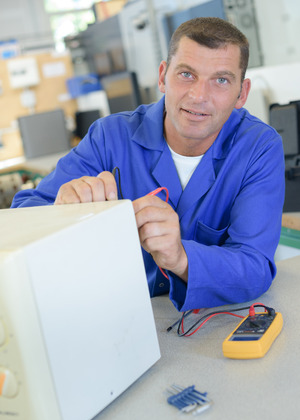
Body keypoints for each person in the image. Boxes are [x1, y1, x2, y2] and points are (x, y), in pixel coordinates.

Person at [11, 17, 285, 312]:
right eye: (186, 74)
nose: (199, 96)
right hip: (114, 316)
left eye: (220, 80)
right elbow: (20, 222)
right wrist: (61, 211)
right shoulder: (110, 137)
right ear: (162, 76)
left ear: (241, 93)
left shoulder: (258, 147)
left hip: (208, 326)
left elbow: (254, 266)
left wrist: (181, 258)